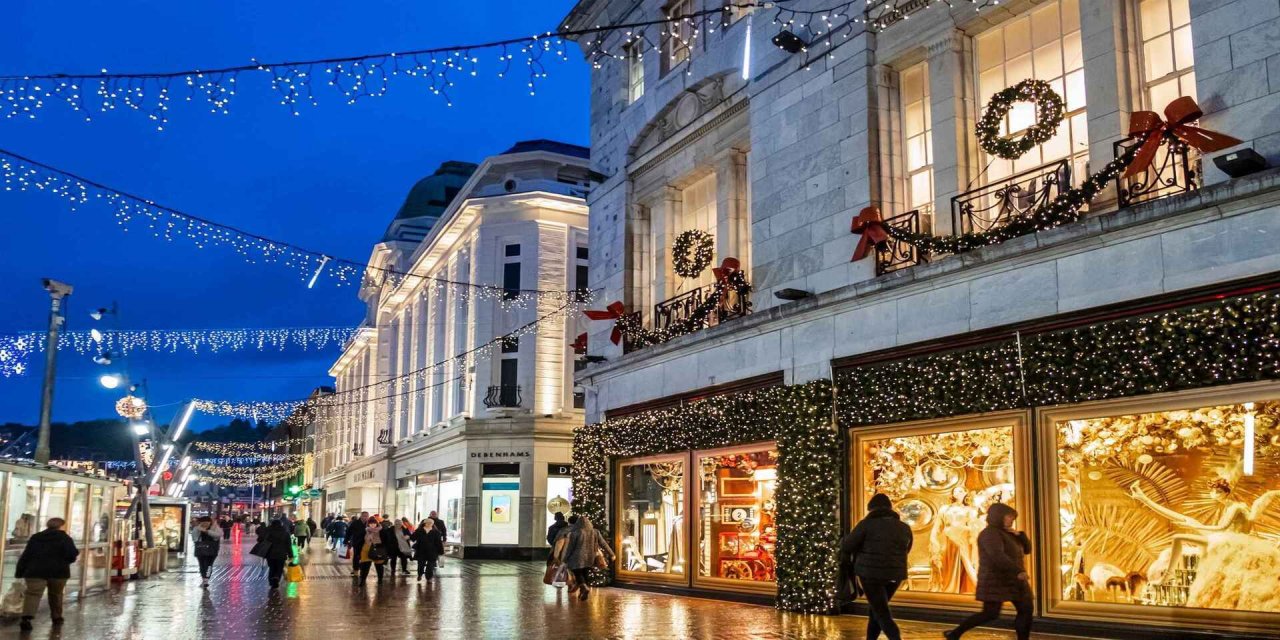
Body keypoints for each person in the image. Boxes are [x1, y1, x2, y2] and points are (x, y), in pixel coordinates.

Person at [944, 503, 1033, 640]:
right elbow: (997, 555)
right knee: (990, 613)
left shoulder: (1008, 533)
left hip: (1014, 580)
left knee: (1026, 609)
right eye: (1009, 516)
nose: (1011, 520)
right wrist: (1017, 571)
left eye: (1012, 517)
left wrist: (1020, 535)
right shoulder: (989, 534)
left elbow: (1027, 550)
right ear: (999, 516)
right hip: (996, 580)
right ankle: (955, 633)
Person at [843, 494, 913, 640]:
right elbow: (907, 549)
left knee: (881, 612)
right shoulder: (904, 527)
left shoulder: (866, 524)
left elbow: (848, 545)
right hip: (895, 574)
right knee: (876, 609)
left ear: (871, 508)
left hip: (870, 574)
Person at [14, 518, 79, 631]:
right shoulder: (64, 538)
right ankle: (57, 617)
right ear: (61, 526)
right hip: (58, 572)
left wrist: (20, 571)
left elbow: (26, 555)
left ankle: (26, 619)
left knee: (33, 594)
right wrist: (65, 561)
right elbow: (72, 554)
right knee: (56, 594)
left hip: (35, 572)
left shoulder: (36, 537)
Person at [559, 515, 614, 601]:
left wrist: (564, 559)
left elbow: (570, 547)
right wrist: (612, 554)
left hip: (576, 558)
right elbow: (603, 543)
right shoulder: (595, 532)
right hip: (589, 557)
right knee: (585, 572)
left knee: (577, 572)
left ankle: (584, 587)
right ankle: (583, 591)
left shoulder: (575, 533)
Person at [262, 520, 295, 591]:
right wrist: (291, 555)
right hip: (281, 554)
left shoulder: (268, 532)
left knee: (272, 567)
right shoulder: (285, 533)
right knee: (279, 568)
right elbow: (288, 545)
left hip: (270, 553)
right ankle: (276, 577)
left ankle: (271, 582)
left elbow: (261, 540)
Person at [357, 519, 387, 585]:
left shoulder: (382, 530)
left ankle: (380, 580)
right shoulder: (365, 530)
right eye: (371, 523)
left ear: (377, 523)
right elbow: (360, 540)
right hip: (366, 549)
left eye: (374, 523)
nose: (372, 524)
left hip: (378, 549)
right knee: (365, 566)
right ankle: (362, 580)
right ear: (368, 524)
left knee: (379, 566)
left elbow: (386, 540)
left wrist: (385, 550)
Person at [193, 517, 222, 588]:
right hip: (201, 549)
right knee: (202, 565)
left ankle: (206, 579)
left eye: (207, 522)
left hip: (212, 549)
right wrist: (199, 530)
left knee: (209, 565)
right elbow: (195, 538)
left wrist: (207, 531)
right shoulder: (197, 528)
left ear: (210, 522)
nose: (205, 524)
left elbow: (218, 535)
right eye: (203, 522)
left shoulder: (215, 527)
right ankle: (204, 579)